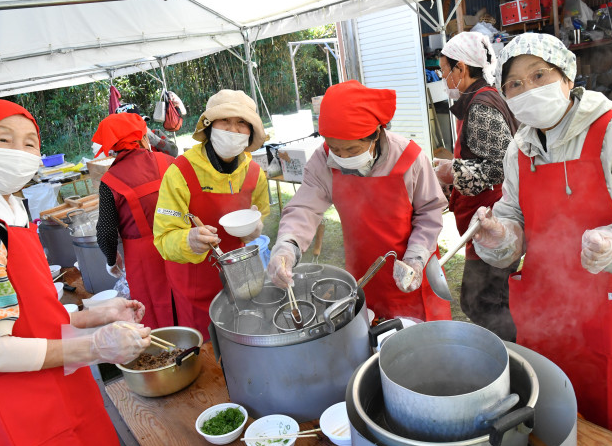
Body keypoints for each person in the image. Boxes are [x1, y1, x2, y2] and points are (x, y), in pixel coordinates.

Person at [471, 33, 612, 446]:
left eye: (539, 75)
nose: (528, 90)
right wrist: (499, 235)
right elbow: (514, 221)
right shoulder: (518, 151)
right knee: (556, 421)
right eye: (514, 84)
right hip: (550, 314)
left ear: (566, 77)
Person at [0, 99, 151, 446]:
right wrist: (94, 347)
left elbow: (24, 315)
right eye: (3, 140)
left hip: (53, 387)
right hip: (7, 410)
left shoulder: (6, 210)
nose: (19, 151)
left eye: (29, 143)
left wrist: (92, 316)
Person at [268, 80, 451, 322]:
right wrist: (286, 246)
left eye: (352, 150)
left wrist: (415, 258)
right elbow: (304, 208)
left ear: (375, 135)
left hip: (414, 270)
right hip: (364, 272)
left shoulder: (409, 158)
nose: (342, 157)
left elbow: (429, 212)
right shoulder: (323, 160)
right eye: (335, 148)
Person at [153, 89, 269, 338]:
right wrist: (190, 240)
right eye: (224, 121)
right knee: (207, 355)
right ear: (208, 126)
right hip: (195, 285)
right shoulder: (180, 171)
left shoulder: (255, 173)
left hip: (242, 280)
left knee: (246, 340)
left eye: (241, 123)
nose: (232, 129)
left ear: (251, 132)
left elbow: (260, 215)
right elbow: (163, 238)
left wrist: (256, 230)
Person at [432, 32, 520, 341]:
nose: (443, 77)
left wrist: (451, 169)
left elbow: (503, 165)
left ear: (462, 69)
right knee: (489, 299)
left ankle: (512, 354)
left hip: (492, 218)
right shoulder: (479, 98)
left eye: (445, 70)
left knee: (480, 300)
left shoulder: (481, 106)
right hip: (482, 217)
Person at [93, 112, 187, 328]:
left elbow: (106, 232)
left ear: (114, 146)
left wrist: (111, 260)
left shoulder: (110, 181)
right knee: (186, 298)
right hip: (181, 244)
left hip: (142, 258)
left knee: (153, 311)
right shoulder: (170, 162)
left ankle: (164, 353)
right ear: (143, 137)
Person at [115, 103, 179, 157]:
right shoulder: (122, 146)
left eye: (142, 122)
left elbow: (174, 152)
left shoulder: (156, 133)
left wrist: (152, 137)